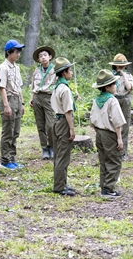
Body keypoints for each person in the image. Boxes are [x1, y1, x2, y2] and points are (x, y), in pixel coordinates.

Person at [90, 69, 126, 199]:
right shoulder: (112, 100)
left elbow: (92, 119)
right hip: (110, 134)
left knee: (103, 159)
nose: (116, 86)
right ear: (107, 87)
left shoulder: (97, 100)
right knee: (114, 161)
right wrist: (119, 138)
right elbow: (117, 121)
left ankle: (103, 185)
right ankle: (109, 188)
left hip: (99, 133)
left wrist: (98, 130)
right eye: (114, 84)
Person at [50, 57, 77, 196]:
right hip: (63, 122)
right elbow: (68, 111)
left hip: (56, 121)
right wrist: (71, 128)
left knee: (59, 154)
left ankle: (62, 182)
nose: (71, 72)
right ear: (64, 73)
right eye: (69, 70)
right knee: (63, 155)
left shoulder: (57, 87)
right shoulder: (64, 89)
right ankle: (59, 186)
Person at [0, 39, 25, 170]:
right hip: (8, 99)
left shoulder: (16, 68)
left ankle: (12, 158)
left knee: (16, 131)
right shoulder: (3, 68)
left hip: (17, 99)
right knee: (8, 131)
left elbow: (19, 87)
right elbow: (2, 87)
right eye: (16, 51)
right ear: (9, 52)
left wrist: (22, 103)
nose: (18, 54)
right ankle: (4, 160)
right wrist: (6, 105)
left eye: (19, 51)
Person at [30, 46, 57, 160]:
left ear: (50, 57)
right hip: (38, 97)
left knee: (50, 125)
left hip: (49, 97)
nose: (43, 58)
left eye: (45, 55)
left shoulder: (54, 70)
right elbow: (33, 86)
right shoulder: (36, 71)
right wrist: (32, 98)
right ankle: (44, 148)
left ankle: (52, 146)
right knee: (40, 125)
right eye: (40, 56)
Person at [109, 54, 133, 159]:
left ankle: (123, 151)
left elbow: (129, 88)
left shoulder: (128, 75)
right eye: (118, 66)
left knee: (125, 125)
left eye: (122, 66)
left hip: (125, 99)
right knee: (113, 123)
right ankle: (113, 148)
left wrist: (123, 75)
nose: (120, 68)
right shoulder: (111, 76)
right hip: (114, 99)